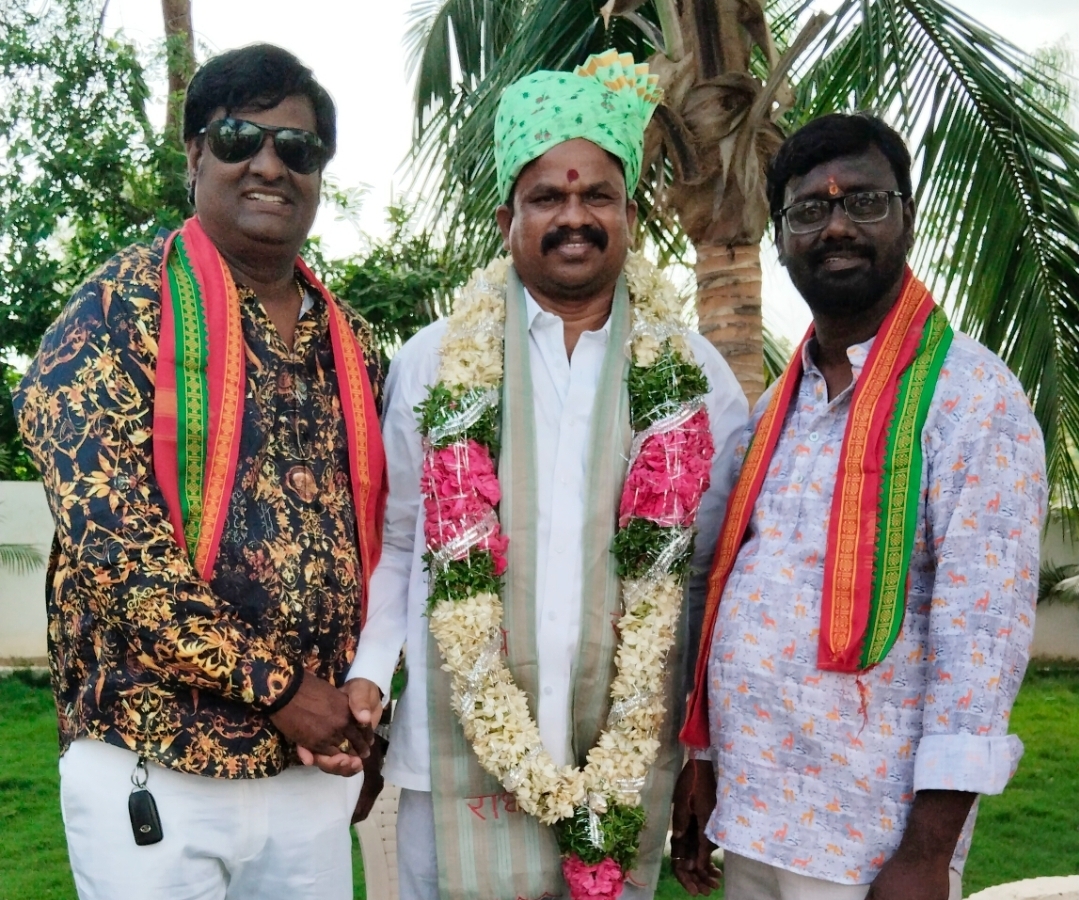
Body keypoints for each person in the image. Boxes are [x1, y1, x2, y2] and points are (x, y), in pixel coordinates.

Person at [335, 51, 748, 900]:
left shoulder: (693, 376)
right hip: (455, 750)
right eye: (547, 198)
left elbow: (709, 573)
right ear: (506, 217)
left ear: (627, 213)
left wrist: (703, 751)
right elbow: (401, 539)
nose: (574, 217)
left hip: (624, 753)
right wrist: (369, 675)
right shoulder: (435, 362)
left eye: (597, 195)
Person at [14, 44, 386, 900]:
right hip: (154, 762)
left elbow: (389, 538)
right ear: (194, 153)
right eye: (239, 137)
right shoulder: (113, 312)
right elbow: (115, 548)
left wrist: (358, 703)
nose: (270, 165)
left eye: (297, 148)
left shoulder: (353, 344)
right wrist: (281, 688)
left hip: (306, 769)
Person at [672, 113, 1046, 900]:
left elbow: (980, 643)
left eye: (864, 202)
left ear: (906, 217)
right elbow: (730, 586)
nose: (836, 226)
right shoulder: (777, 406)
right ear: (780, 240)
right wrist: (702, 763)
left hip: (870, 841)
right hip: (753, 813)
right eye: (809, 209)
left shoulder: (972, 399)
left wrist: (926, 852)